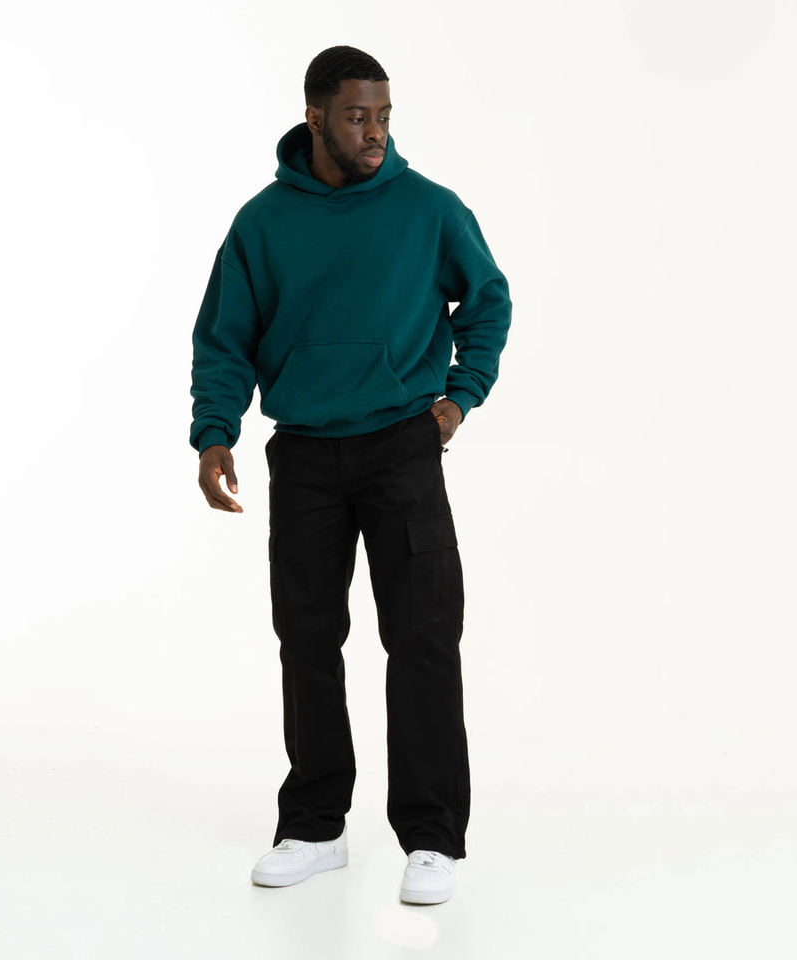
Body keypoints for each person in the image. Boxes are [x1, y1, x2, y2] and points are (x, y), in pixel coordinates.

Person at [189, 45, 511, 905]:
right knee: (306, 640)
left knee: (423, 638)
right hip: (303, 455)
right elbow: (224, 337)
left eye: (385, 117)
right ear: (315, 117)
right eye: (358, 117)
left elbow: (488, 300)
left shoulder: (429, 209)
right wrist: (214, 433)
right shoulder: (263, 223)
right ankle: (314, 826)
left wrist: (458, 399)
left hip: (402, 448)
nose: (375, 133)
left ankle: (433, 838)